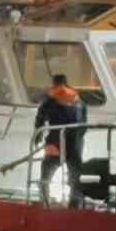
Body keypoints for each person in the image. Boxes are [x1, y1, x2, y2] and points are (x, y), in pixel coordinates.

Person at [34, 74, 88, 206]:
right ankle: (75, 204)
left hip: (55, 142)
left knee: (46, 172)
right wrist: (78, 139)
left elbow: (40, 118)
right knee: (75, 174)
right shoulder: (79, 100)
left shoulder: (50, 98)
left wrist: (38, 137)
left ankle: (44, 201)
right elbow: (84, 125)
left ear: (54, 83)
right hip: (75, 143)